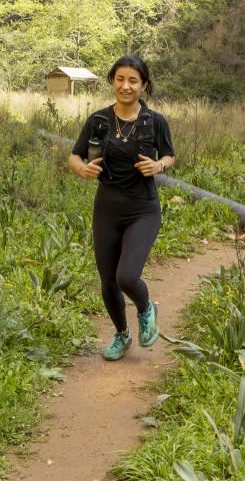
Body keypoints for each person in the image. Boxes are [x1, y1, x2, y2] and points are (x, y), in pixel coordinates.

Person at [69, 55, 175, 361]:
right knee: (107, 280)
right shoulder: (99, 120)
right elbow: (75, 155)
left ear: (144, 85)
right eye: (119, 79)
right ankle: (121, 334)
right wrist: (81, 169)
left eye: (133, 80)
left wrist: (159, 165)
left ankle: (145, 308)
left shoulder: (154, 122)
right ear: (112, 81)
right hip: (107, 208)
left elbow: (169, 155)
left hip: (143, 209)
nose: (125, 86)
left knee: (126, 276)